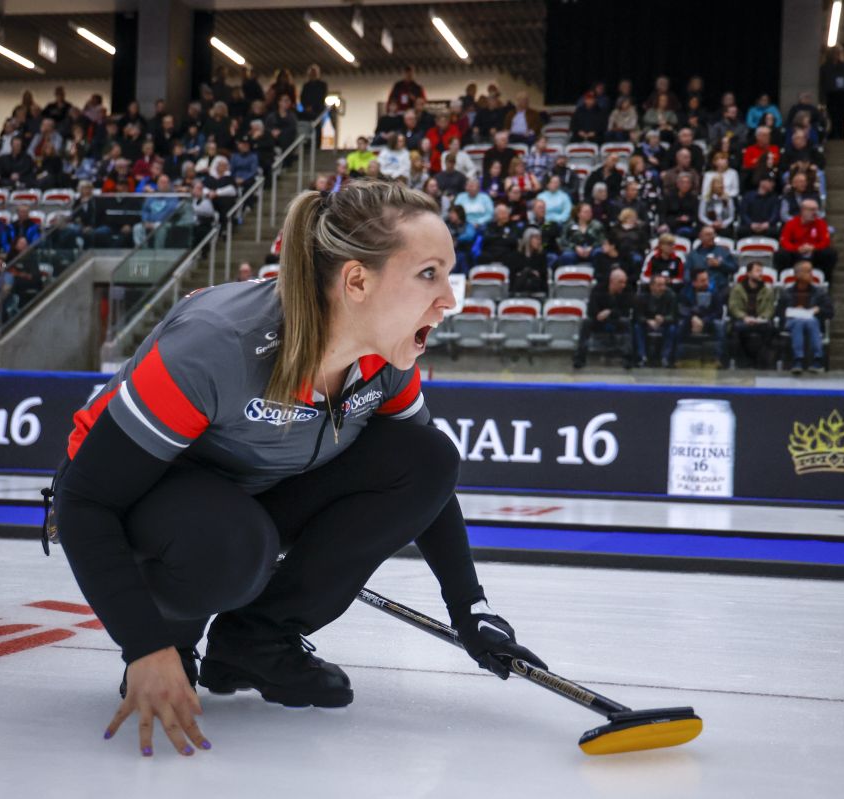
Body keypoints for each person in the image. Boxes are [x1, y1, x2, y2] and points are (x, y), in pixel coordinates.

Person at [49, 180, 544, 758]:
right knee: (235, 545)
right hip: (144, 499)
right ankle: (177, 633)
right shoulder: (217, 346)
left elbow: (423, 477)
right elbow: (85, 503)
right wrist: (145, 645)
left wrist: (471, 609)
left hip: (253, 495)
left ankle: (255, 641)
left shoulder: (384, 358)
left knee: (428, 453)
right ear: (357, 281)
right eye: (429, 274)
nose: (450, 300)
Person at [572, 267, 636, 369]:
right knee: (586, 322)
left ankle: (628, 358)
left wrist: (609, 312)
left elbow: (625, 311)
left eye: (624, 282)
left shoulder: (627, 291)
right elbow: (591, 311)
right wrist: (601, 315)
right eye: (620, 282)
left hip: (615, 321)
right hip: (599, 321)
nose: (623, 285)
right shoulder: (598, 289)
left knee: (626, 323)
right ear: (612, 281)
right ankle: (579, 358)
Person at [776, 260, 833, 374]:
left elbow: (830, 311)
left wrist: (818, 309)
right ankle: (806, 359)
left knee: (809, 322)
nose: (811, 274)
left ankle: (807, 360)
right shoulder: (787, 292)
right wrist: (792, 311)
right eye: (808, 271)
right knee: (799, 322)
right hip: (792, 321)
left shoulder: (819, 292)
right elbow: (779, 311)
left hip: (812, 321)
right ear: (798, 274)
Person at [728, 262, 776, 368]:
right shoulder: (737, 289)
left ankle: (762, 361)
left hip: (760, 320)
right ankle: (743, 361)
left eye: (761, 271)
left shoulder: (767, 290)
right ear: (749, 274)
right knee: (738, 328)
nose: (760, 274)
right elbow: (733, 307)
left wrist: (762, 318)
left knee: (770, 328)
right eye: (757, 271)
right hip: (743, 320)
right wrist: (744, 317)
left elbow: (770, 309)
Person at [676, 268, 726, 368]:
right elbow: (682, 310)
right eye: (702, 281)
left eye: (707, 279)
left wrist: (703, 321)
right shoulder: (685, 292)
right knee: (679, 325)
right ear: (694, 283)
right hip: (690, 321)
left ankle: (718, 359)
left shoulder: (714, 292)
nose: (706, 283)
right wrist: (693, 318)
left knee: (720, 326)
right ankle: (678, 358)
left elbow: (718, 312)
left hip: (709, 321)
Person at [776, 199, 836, 282]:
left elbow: (825, 241)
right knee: (781, 254)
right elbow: (784, 241)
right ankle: (782, 281)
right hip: (796, 254)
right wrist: (797, 248)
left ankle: (826, 282)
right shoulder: (791, 223)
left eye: (816, 209)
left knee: (829, 253)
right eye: (812, 210)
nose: (815, 212)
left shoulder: (821, 223)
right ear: (803, 210)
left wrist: (813, 247)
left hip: (814, 254)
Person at [634, 273, 678, 367]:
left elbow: (673, 316)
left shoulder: (671, 296)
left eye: (664, 285)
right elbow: (638, 316)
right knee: (637, 327)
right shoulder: (641, 297)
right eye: (659, 285)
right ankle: (642, 356)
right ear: (651, 286)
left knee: (672, 329)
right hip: (647, 323)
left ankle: (665, 357)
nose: (662, 288)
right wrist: (647, 321)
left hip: (664, 324)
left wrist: (663, 319)